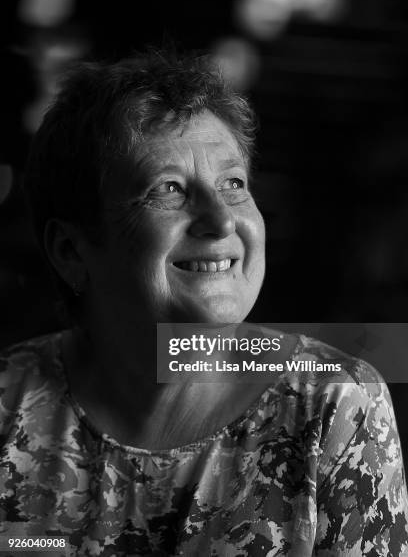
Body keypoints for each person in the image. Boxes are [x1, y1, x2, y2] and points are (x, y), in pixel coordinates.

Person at [0, 50, 407, 556]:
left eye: (233, 184)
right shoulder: (8, 401)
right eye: (167, 189)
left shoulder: (334, 403)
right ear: (71, 251)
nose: (221, 220)